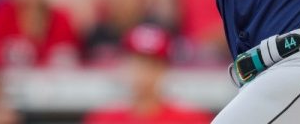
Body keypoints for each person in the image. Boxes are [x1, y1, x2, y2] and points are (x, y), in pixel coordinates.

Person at [84, 24, 213, 124]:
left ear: (164, 69)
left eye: (151, 65)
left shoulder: (192, 119)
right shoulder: (102, 119)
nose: (142, 73)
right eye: (137, 63)